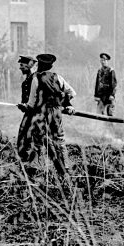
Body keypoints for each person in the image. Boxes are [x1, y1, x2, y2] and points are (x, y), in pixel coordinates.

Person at [27, 53, 77, 185]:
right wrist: (64, 103)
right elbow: (72, 93)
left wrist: (26, 107)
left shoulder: (36, 78)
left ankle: (33, 170)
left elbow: (32, 102)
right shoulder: (58, 77)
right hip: (56, 113)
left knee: (37, 141)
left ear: (40, 66)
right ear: (50, 66)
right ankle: (65, 170)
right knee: (59, 140)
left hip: (41, 113)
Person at [15, 55, 38, 162]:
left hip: (36, 113)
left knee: (30, 137)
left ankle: (31, 162)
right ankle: (24, 160)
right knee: (23, 135)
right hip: (29, 112)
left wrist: (27, 106)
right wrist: (23, 106)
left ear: (30, 65)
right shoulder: (28, 80)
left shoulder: (36, 79)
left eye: (22, 65)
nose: (20, 68)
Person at [94, 52, 117, 116]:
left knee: (110, 114)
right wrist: (96, 95)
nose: (103, 62)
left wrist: (112, 95)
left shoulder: (111, 71)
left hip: (109, 96)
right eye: (101, 60)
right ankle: (100, 126)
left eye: (104, 60)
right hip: (101, 96)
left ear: (107, 61)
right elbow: (97, 84)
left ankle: (110, 126)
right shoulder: (99, 71)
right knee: (99, 114)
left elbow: (114, 84)